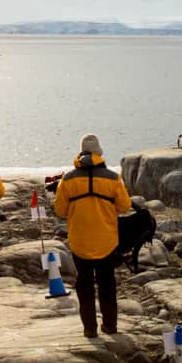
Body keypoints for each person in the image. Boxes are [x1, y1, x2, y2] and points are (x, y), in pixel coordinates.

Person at [53, 134, 131, 338]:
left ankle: (89, 328)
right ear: (99, 153)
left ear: (81, 153)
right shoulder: (113, 178)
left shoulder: (68, 178)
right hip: (107, 241)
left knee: (84, 285)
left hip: (80, 241)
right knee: (107, 284)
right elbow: (124, 206)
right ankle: (110, 325)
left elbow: (60, 210)